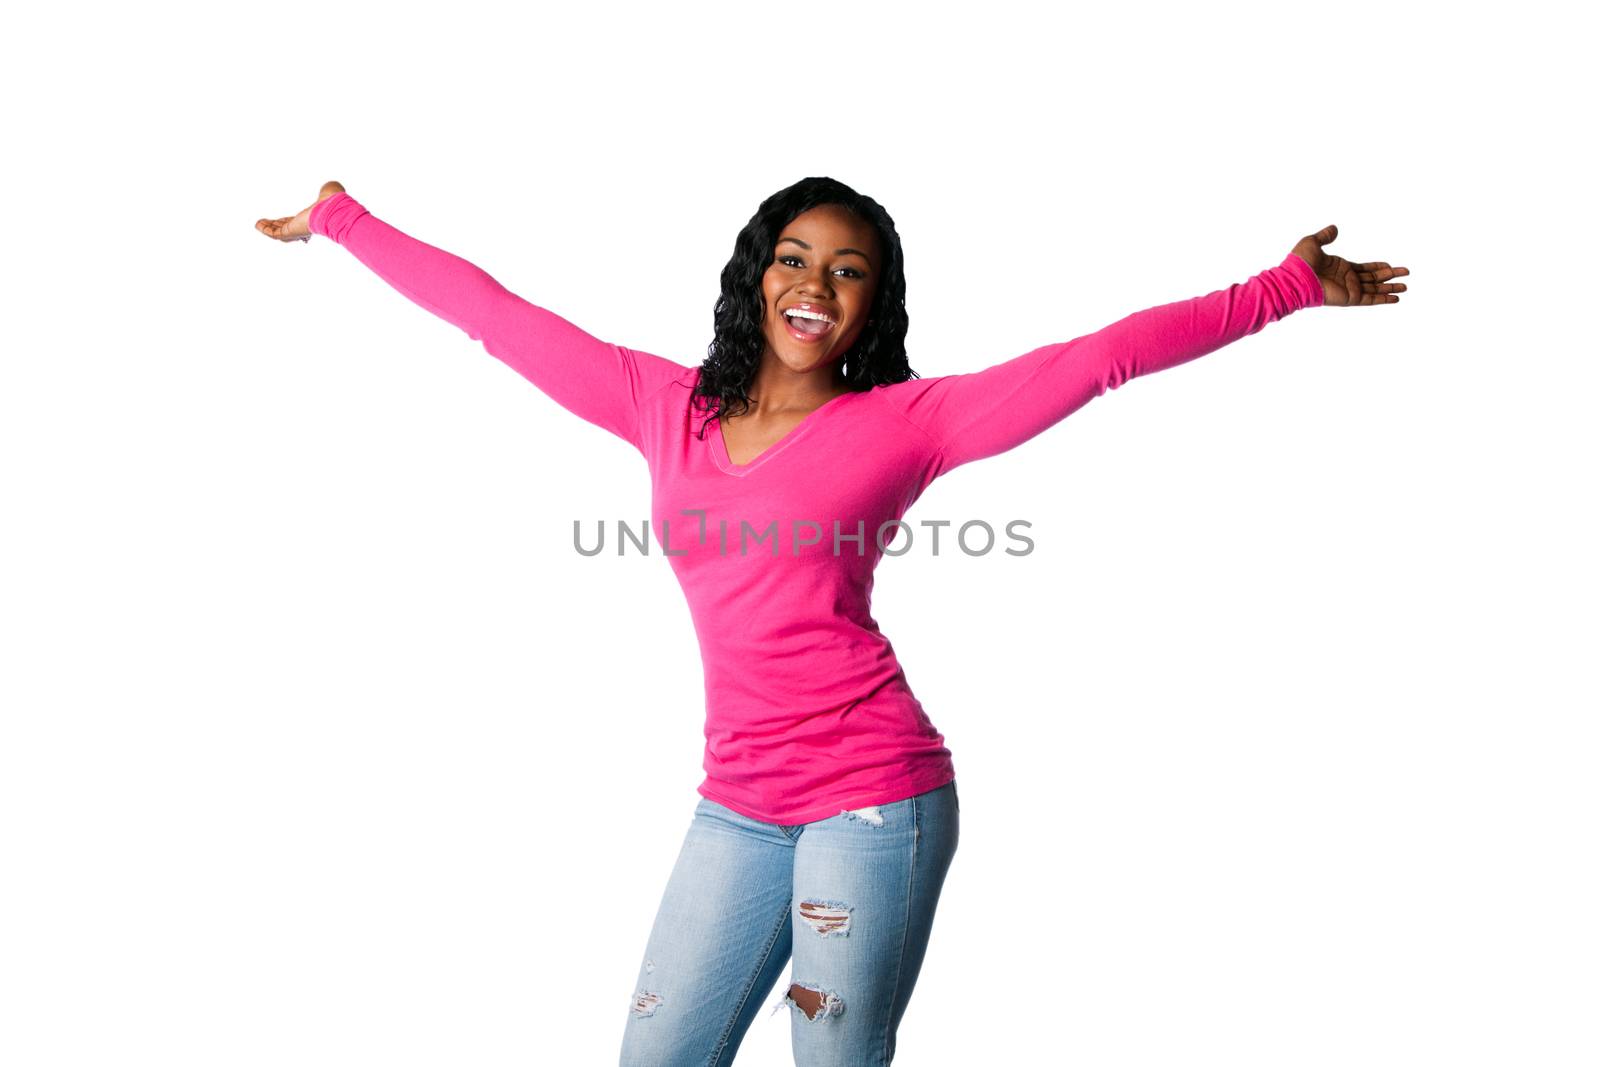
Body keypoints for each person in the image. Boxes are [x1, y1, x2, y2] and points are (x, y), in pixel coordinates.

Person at [256, 178, 1407, 1065]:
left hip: (872, 794)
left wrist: (1286, 288)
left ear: (871, 305)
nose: (816, 283)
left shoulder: (911, 420)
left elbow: (1097, 358)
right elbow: (497, 319)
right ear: (758, 274)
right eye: (795, 258)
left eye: (848, 271)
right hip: (737, 800)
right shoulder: (664, 404)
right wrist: (342, 219)